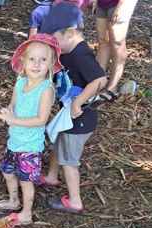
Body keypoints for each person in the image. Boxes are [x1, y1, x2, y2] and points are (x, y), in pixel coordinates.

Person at [38, 2, 107, 214]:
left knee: (69, 159)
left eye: (54, 40)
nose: (53, 45)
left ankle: (74, 200)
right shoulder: (67, 51)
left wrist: (78, 102)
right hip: (67, 116)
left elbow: (99, 80)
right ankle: (51, 176)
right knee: (58, 144)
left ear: (69, 33)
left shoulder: (80, 54)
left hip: (79, 119)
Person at [0, 34, 62, 225]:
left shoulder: (46, 89)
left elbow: (41, 120)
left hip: (30, 146)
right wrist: (8, 112)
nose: (37, 64)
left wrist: (15, 119)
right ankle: (14, 201)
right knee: (7, 172)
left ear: (51, 64)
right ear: (23, 61)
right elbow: (13, 104)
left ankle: (27, 213)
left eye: (43, 60)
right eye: (32, 59)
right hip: (14, 142)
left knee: (26, 180)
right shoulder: (21, 82)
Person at [94, 0, 138, 99]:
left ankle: (112, 88)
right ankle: (97, 82)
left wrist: (121, 5)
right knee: (103, 40)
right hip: (102, 3)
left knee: (117, 43)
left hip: (119, 3)